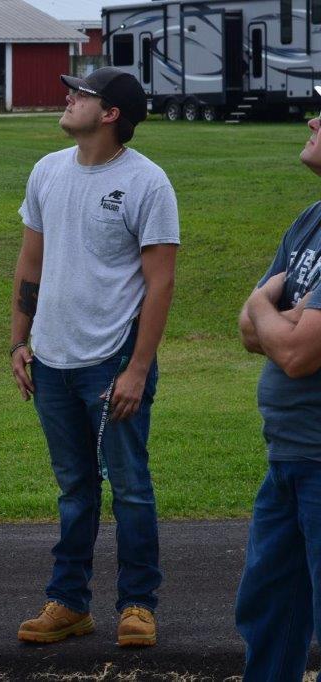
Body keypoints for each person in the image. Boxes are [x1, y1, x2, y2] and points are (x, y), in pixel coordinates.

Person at [10, 67, 180, 647]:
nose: (68, 97)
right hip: (52, 361)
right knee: (75, 488)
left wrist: (136, 369)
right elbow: (30, 263)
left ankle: (137, 606)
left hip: (113, 361)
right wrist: (19, 339)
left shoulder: (148, 184)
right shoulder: (46, 171)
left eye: (81, 94)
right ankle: (69, 603)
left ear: (110, 114)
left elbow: (160, 284)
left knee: (131, 486)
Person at [236, 94, 321, 681]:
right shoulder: (310, 221)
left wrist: (267, 306)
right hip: (289, 455)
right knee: (269, 608)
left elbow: (295, 352)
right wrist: (272, 313)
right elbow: (248, 330)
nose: (312, 121)